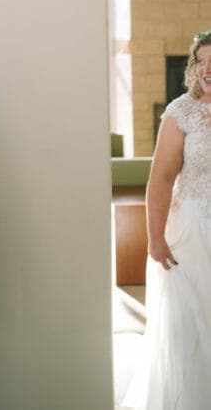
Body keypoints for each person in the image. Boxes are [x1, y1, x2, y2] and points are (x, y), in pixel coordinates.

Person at [124, 30, 211, 410]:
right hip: (191, 235)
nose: (208, 70)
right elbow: (159, 179)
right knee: (189, 326)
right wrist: (154, 238)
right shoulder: (181, 112)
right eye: (202, 61)